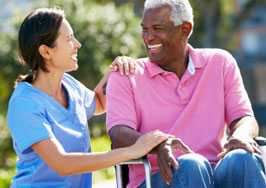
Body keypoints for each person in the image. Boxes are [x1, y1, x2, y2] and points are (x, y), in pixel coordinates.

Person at [106, 0, 266, 188]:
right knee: (191, 165)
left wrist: (241, 135)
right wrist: (157, 145)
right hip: (156, 178)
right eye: (145, 29)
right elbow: (118, 134)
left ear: (185, 29)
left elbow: (244, 118)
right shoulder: (126, 74)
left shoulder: (220, 63)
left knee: (242, 158)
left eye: (157, 28)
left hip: (215, 172)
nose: (148, 37)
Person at [6, 7, 172, 188]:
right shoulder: (24, 103)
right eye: (69, 39)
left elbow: (99, 103)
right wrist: (132, 151)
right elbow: (62, 163)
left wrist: (115, 70)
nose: (77, 44)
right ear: (46, 52)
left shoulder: (69, 85)